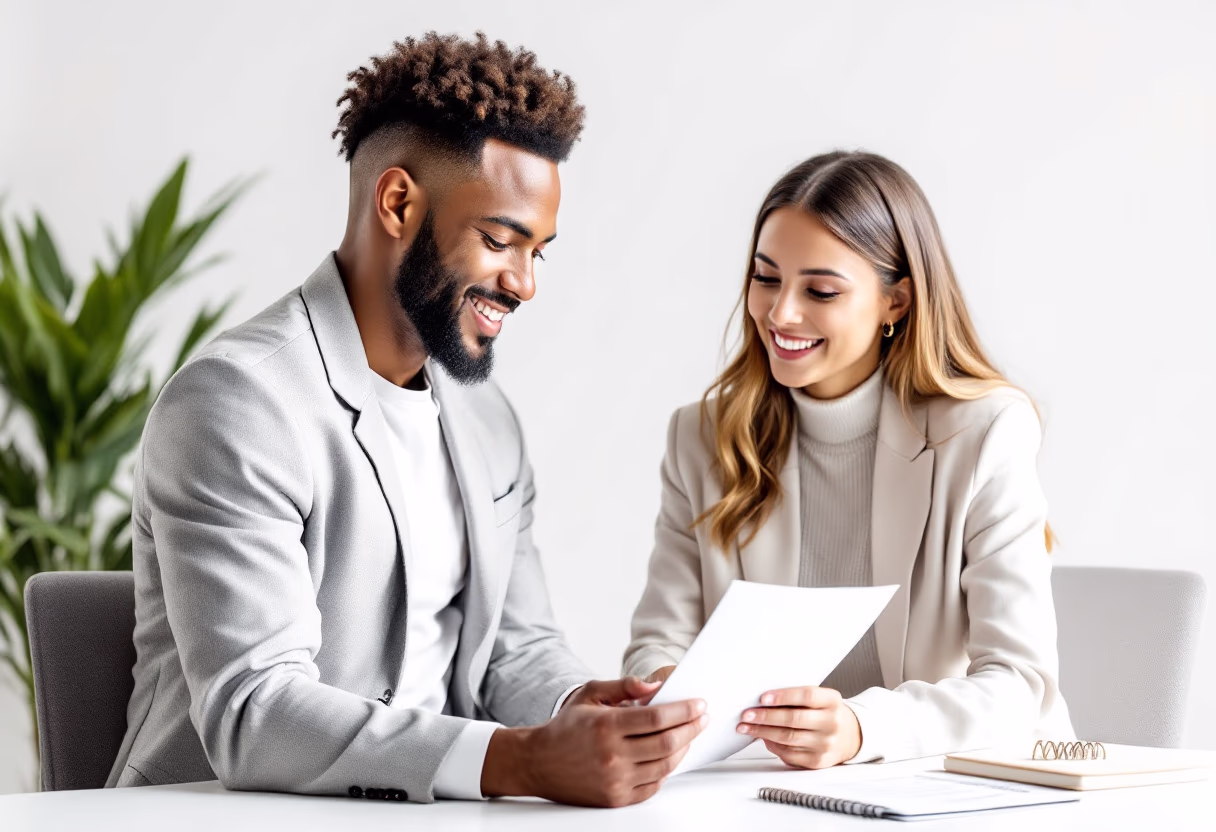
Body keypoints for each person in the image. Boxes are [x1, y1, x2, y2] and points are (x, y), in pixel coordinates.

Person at [107, 32, 706, 807]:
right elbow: (255, 710)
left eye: (539, 252)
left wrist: (575, 710)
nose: (523, 283)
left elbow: (515, 650)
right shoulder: (235, 403)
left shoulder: (487, 421)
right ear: (398, 203)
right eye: (499, 240)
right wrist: (516, 761)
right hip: (213, 814)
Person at [623, 151, 1074, 769]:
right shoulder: (702, 436)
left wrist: (861, 727)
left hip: (959, 787)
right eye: (765, 277)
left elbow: (1021, 685)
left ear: (896, 302)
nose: (780, 313)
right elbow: (659, 640)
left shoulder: (985, 431)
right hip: (764, 794)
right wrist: (674, 699)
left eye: (821, 290)